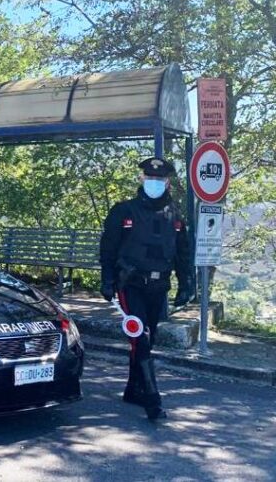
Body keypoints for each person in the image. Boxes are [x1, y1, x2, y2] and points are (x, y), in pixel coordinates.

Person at [99, 157, 192, 420]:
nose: (154, 183)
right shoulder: (124, 211)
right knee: (139, 337)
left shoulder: (175, 215)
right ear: (141, 179)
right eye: (149, 178)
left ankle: (132, 390)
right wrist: (107, 280)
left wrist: (185, 285)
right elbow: (108, 249)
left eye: (159, 180)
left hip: (159, 285)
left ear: (168, 182)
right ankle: (153, 399)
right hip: (131, 284)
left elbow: (182, 254)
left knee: (146, 340)